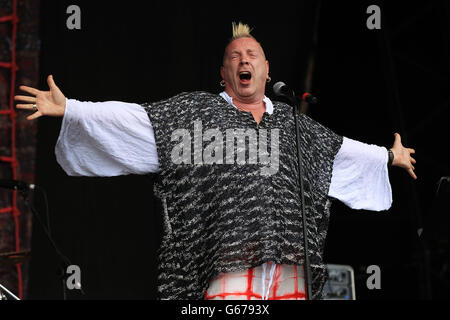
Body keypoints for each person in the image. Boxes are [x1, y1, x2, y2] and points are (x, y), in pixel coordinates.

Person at [15, 22, 416, 300]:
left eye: (253, 55)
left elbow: (340, 151)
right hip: (223, 263)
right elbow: (137, 121)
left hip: (289, 268)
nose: (245, 61)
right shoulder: (195, 114)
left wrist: (388, 156)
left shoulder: (296, 126)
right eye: (235, 56)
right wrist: (75, 110)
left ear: (266, 69)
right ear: (224, 72)